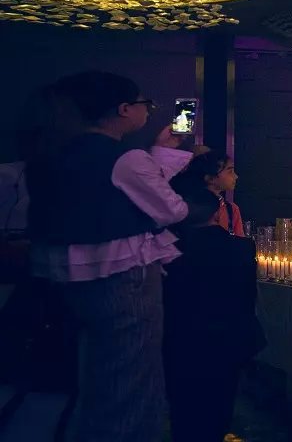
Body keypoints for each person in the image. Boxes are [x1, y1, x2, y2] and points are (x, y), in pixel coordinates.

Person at [27, 71, 207, 442]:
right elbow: (170, 208)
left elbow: (125, 187)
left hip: (71, 277)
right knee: (130, 380)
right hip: (125, 278)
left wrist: (163, 151)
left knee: (96, 375)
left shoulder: (51, 152)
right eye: (145, 104)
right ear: (124, 109)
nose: (148, 111)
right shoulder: (125, 158)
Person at [165, 151, 264, 442]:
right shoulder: (240, 248)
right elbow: (247, 294)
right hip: (227, 332)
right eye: (229, 169)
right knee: (220, 396)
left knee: (183, 399)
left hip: (180, 332)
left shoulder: (167, 249)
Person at [171, 150, 243, 236]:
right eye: (230, 171)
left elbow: (239, 240)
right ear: (210, 178)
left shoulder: (231, 209)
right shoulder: (188, 208)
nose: (236, 176)